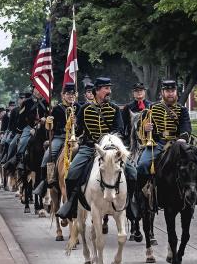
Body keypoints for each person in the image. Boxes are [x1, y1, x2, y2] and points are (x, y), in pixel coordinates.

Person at [56, 77, 137, 219]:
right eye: (106, 88)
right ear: (97, 90)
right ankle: (71, 205)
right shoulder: (85, 109)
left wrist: (109, 143)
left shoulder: (114, 109)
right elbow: (80, 131)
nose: (109, 91)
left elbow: (118, 130)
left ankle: (129, 204)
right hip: (89, 147)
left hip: (110, 149)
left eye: (109, 88)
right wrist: (74, 125)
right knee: (71, 174)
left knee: (132, 173)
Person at [136, 80, 197, 210]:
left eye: (172, 91)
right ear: (162, 92)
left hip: (178, 144)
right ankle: (140, 196)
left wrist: (182, 138)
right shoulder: (152, 108)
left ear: (176, 92)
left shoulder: (182, 110)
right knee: (142, 165)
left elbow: (186, 127)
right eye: (167, 91)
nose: (170, 94)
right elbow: (140, 128)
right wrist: (146, 128)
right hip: (157, 143)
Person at [33, 83, 81, 197]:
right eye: (68, 94)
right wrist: (49, 123)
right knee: (47, 157)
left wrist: (76, 124)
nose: (71, 96)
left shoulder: (79, 108)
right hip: (60, 138)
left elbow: (83, 126)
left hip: (76, 138)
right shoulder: (56, 109)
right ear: (63, 95)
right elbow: (51, 128)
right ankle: (45, 182)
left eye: (73, 94)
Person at [3, 87, 48, 171]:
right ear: (33, 90)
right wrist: (20, 131)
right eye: (37, 89)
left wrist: (45, 118)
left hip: (43, 128)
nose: (39, 91)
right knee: (23, 142)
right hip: (29, 127)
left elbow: (49, 114)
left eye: (40, 89)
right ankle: (20, 160)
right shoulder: (26, 102)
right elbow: (21, 118)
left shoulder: (46, 102)